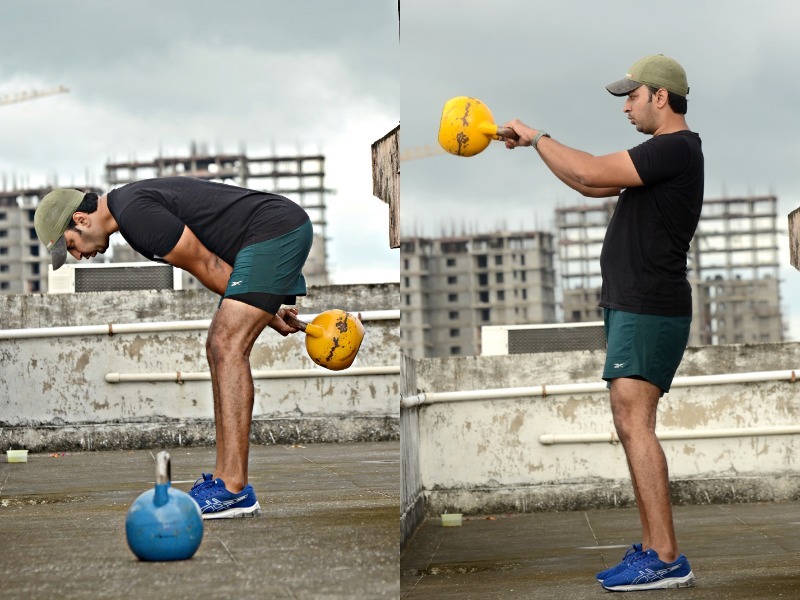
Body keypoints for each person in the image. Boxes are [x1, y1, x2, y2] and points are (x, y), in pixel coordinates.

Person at [502, 54, 701, 591]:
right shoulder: (661, 157)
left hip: (648, 305)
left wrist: (537, 134)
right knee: (631, 422)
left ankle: (665, 554)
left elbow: (590, 170)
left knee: (635, 423)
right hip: (634, 305)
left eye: (632, 97)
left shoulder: (675, 148)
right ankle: (656, 546)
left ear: (661, 97)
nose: (627, 108)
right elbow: (589, 185)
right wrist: (537, 148)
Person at [34, 176, 313, 519]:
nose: (77, 255)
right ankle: (226, 480)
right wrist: (268, 311)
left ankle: (234, 488)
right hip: (264, 236)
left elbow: (207, 265)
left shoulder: (135, 214)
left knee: (226, 344)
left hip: (274, 229)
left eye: (71, 245)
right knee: (219, 346)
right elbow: (213, 264)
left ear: (80, 219)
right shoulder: (130, 210)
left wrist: (268, 313)